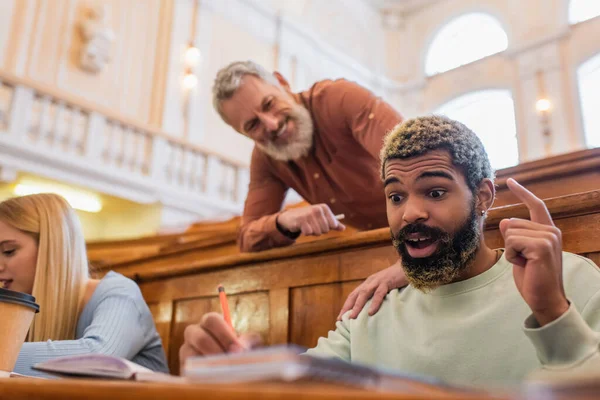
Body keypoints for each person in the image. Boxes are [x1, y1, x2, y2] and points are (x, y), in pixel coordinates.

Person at [178, 116, 600, 387]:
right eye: (395, 197)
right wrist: (240, 370)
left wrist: (551, 312)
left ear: (484, 196)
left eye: (435, 192)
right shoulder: (373, 308)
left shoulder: (570, 281)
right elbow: (300, 385)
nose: (410, 213)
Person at [212, 61, 404, 253]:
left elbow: (417, 161)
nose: (272, 124)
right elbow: (247, 239)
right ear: (243, 134)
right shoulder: (265, 159)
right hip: (382, 248)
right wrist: (284, 221)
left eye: (269, 103)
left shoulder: (340, 99)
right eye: (253, 125)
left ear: (282, 83)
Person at [0, 194, 169, 377]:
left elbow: (97, 358)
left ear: (51, 249)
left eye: (8, 251)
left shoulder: (120, 294)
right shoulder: (20, 311)